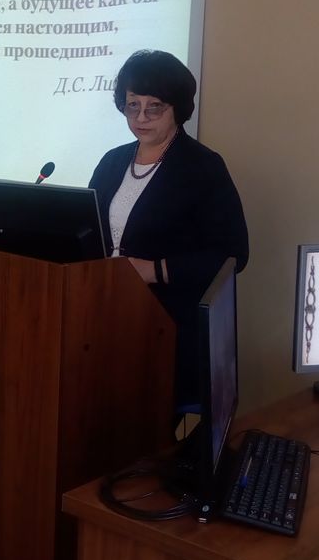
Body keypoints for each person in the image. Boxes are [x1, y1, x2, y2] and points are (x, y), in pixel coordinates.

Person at [89, 49, 248, 407]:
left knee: (145, 425)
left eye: (154, 107)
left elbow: (234, 254)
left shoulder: (203, 167)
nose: (140, 117)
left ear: (178, 107)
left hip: (167, 325)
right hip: (101, 315)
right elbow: (88, 231)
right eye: (132, 105)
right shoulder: (112, 161)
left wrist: (153, 269)